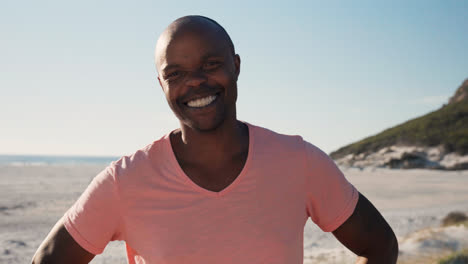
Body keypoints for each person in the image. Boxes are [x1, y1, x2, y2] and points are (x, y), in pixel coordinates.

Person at [32, 15, 398, 264]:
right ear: (162, 85)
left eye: (210, 65)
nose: (195, 82)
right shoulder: (124, 181)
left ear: (235, 65)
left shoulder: (299, 162)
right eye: (176, 73)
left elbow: (380, 246)